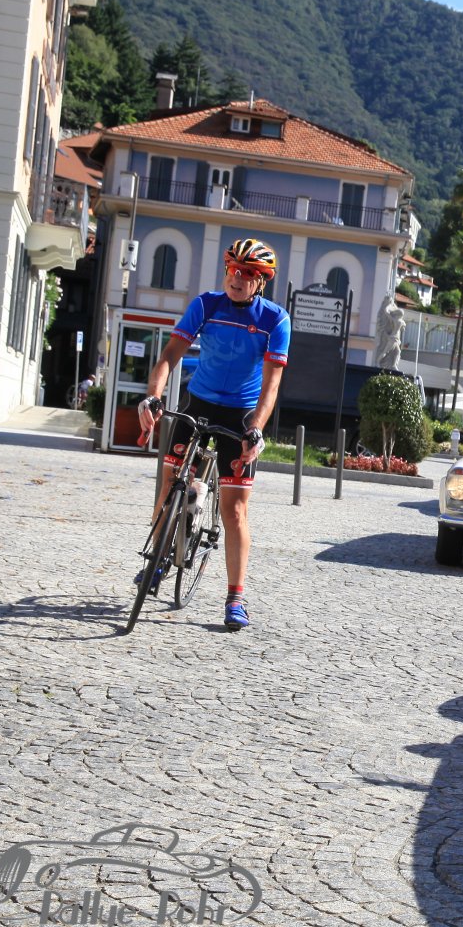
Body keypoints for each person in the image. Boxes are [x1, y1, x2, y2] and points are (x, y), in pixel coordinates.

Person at [137, 237, 290, 632]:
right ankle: (157, 561)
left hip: (241, 414)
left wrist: (256, 429)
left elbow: (272, 384)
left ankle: (235, 597)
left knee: (234, 510)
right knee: (170, 483)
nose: (237, 278)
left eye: (248, 274)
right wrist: (153, 396)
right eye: (233, 270)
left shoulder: (275, 320)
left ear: (261, 282)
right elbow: (170, 355)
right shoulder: (206, 305)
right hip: (198, 402)